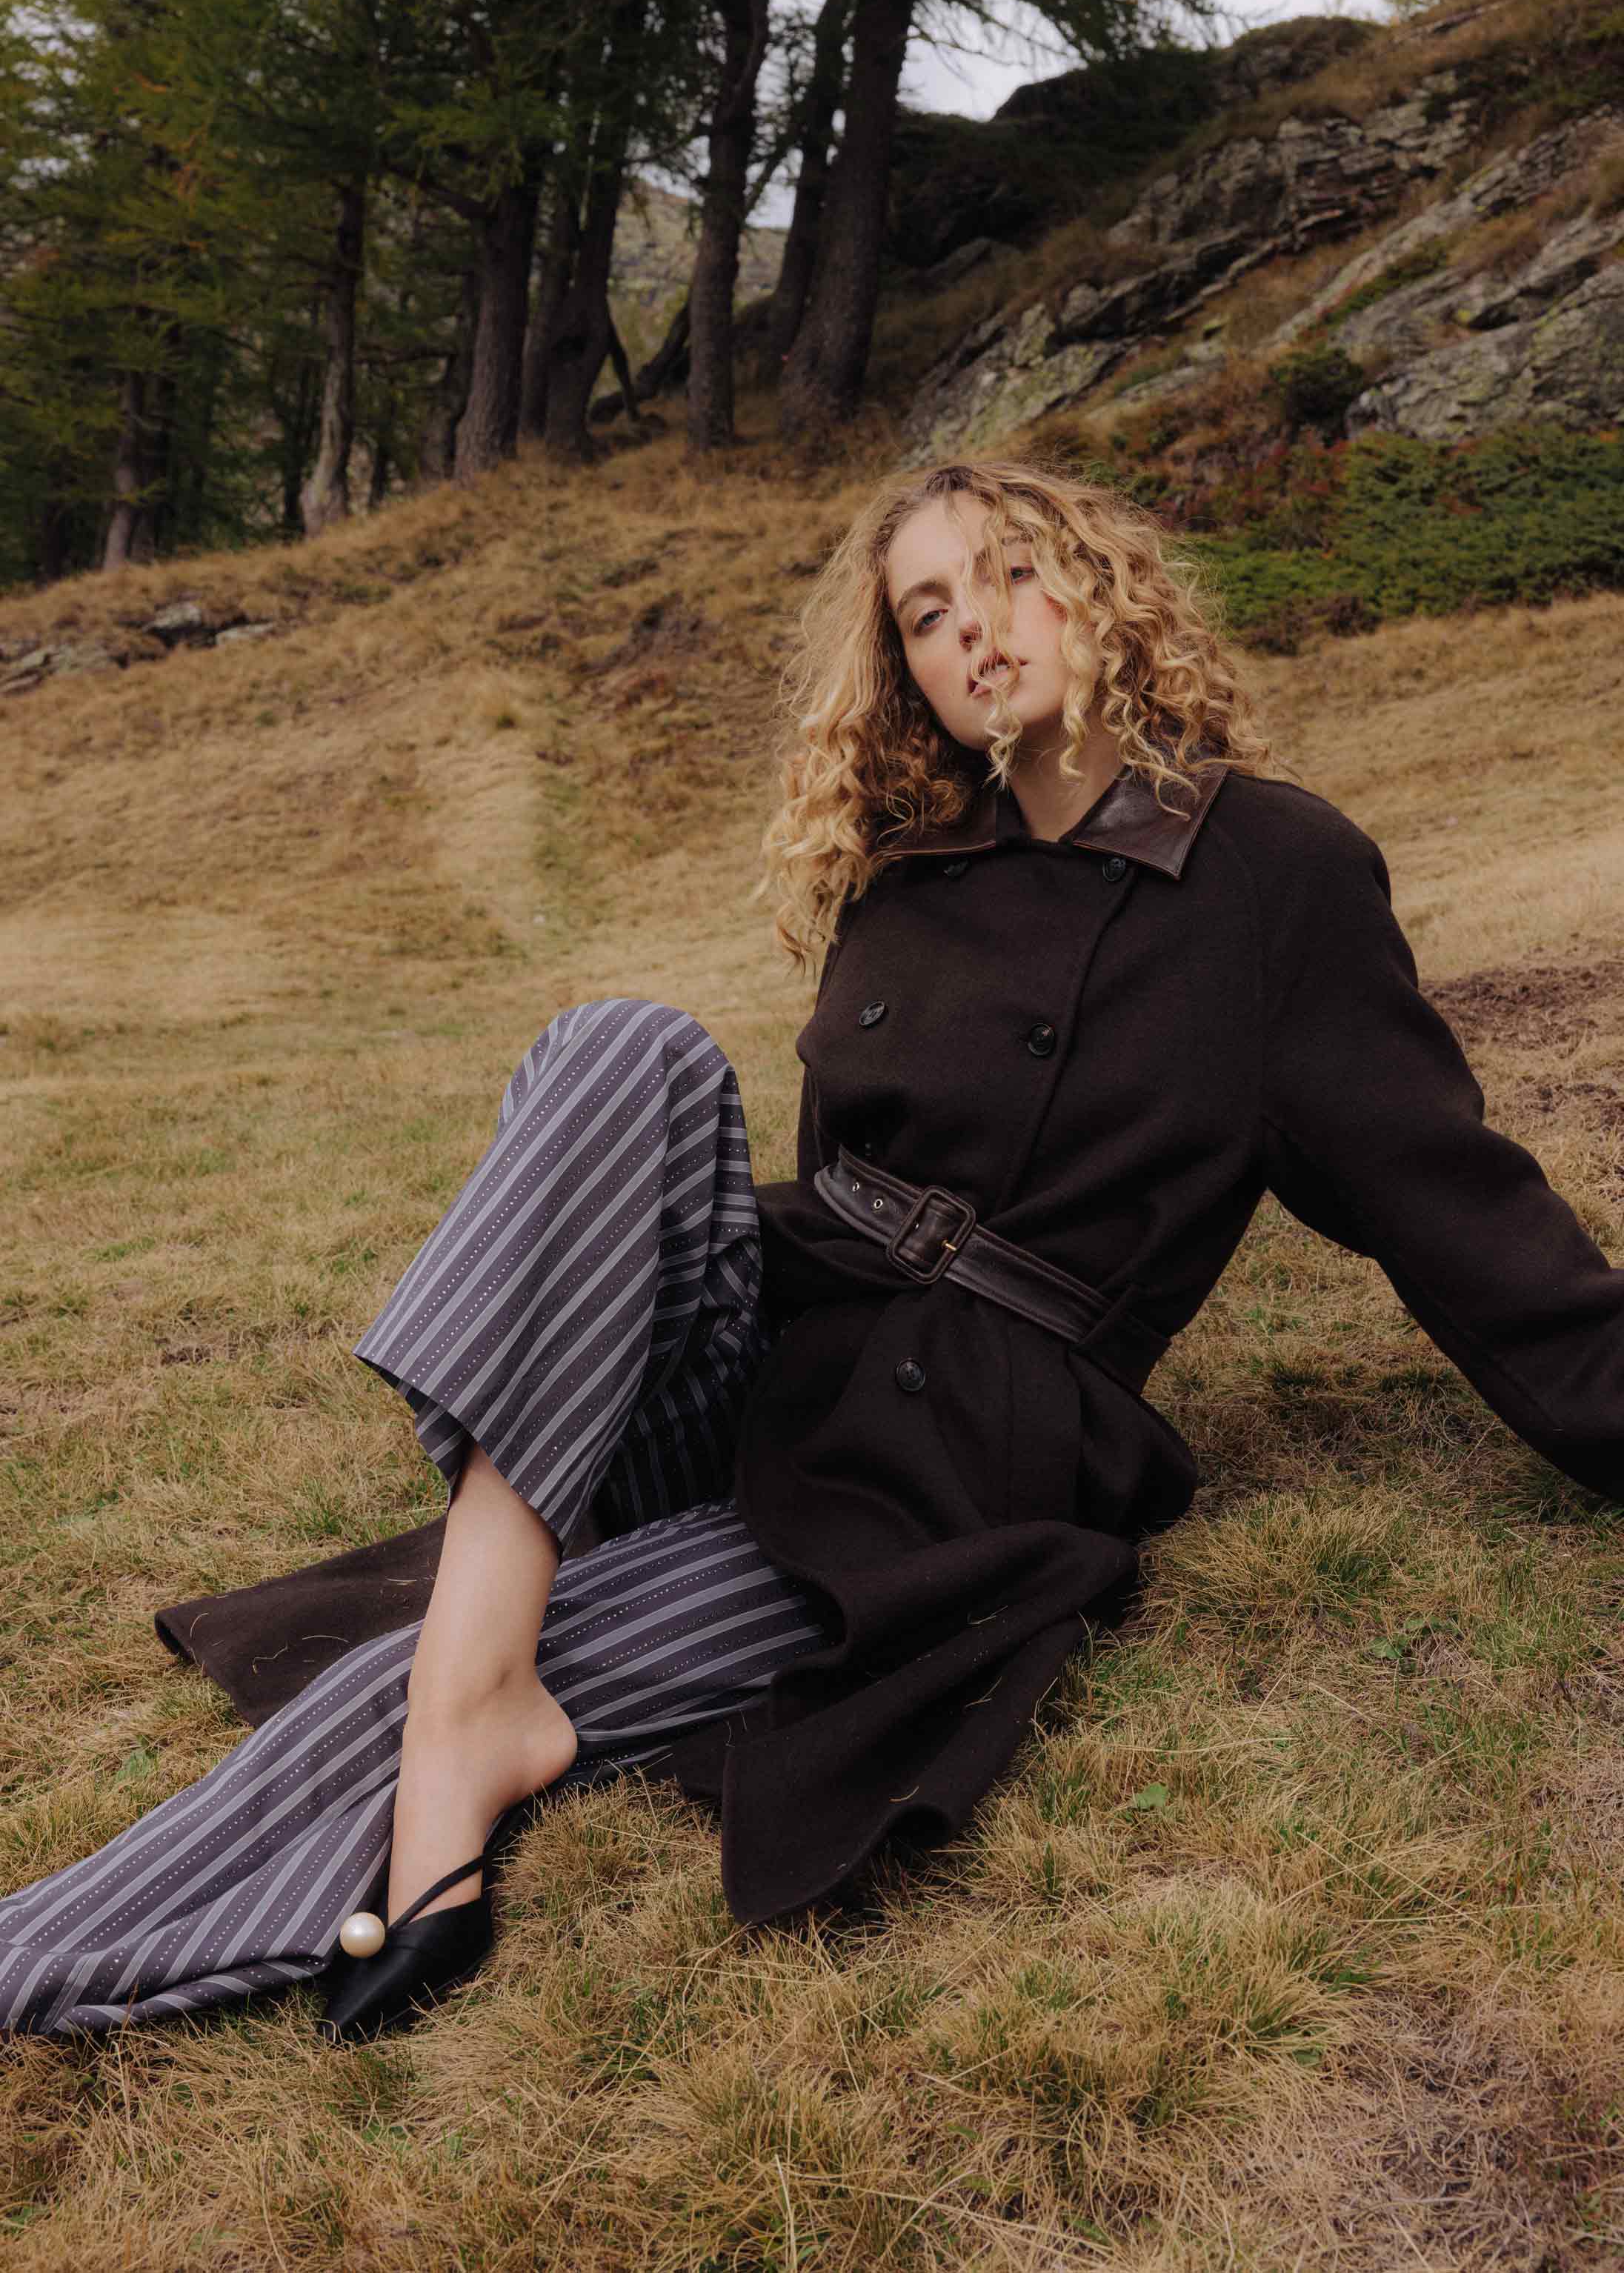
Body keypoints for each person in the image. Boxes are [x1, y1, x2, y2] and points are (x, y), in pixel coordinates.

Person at [4, 456, 1620, 2041]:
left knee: (379, 1691)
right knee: (621, 1044)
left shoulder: (1276, 872)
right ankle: (487, 1672)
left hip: (952, 1452)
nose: (972, 628)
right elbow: (824, 1179)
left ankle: (414, 1737)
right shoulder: (915, 868)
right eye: (925, 610)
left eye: (1006, 573)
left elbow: (1452, 1201)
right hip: (786, 1335)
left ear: (1102, 590)